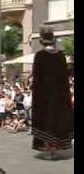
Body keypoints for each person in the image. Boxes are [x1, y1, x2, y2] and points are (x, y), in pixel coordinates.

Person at [31, 25, 73, 160]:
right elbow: (64, 77)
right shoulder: (60, 55)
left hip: (45, 96)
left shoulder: (40, 55)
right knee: (57, 122)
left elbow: (37, 79)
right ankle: (54, 149)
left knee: (47, 122)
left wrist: (36, 97)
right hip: (60, 96)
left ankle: (49, 150)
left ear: (42, 41)